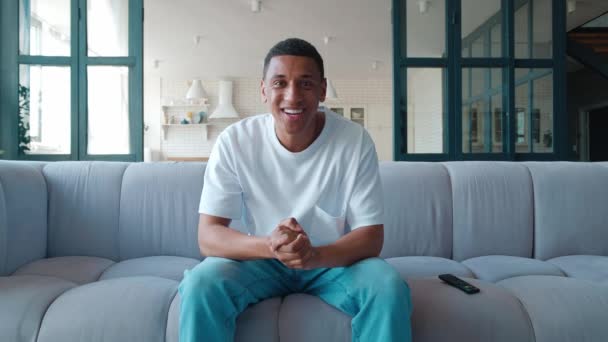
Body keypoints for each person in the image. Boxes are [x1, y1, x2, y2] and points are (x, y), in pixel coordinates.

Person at [178, 38, 412, 342]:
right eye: (280, 83)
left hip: (330, 261)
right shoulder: (234, 141)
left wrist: (313, 254)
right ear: (263, 90)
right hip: (260, 260)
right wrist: (271, 245)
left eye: (305, 83)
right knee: (201, 284)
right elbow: (208, 236)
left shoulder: (354, 140)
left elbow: (371, 236)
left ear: (322, 90)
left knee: (388, 287)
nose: (292, 95)